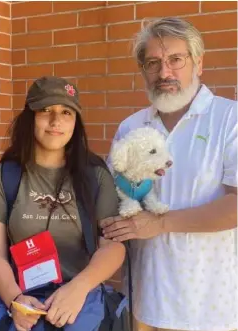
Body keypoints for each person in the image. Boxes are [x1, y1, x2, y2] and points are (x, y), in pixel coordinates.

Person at [102, 17, 237, 331]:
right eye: (153, 63)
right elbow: (113, 196)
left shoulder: (230, 119)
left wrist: (160, 223)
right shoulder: (131, 127)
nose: (164, 73)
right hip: (146, 301)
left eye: (176, 59)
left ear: (198, 63)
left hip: (212, 306)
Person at [0, 76, 126, 331]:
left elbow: (112, 246)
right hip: (24, 301)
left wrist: (79, 288)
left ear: (75, 122)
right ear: (30, 118)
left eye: (66, 112)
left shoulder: (95, 175)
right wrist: (15, 300)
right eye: (46, 110)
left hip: (80, 301)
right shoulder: (4, 177)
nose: (56, 121)